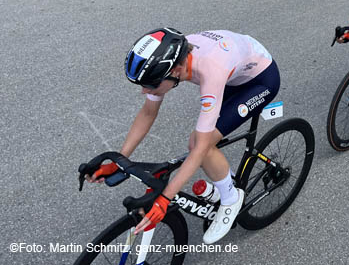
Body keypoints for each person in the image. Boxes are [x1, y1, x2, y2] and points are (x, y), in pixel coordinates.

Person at [87, 28, 281, 244]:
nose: (145, 91)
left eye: (150, 85)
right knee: (199, 143)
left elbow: (200, 149)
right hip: (234, 70)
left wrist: (165, 198)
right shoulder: (169, 60)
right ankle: (226, 180)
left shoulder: (209, 70)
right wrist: (119, 159)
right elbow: (148, 112)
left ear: (177, 70)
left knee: (200, 144)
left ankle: (231, 199)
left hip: (261, 79)